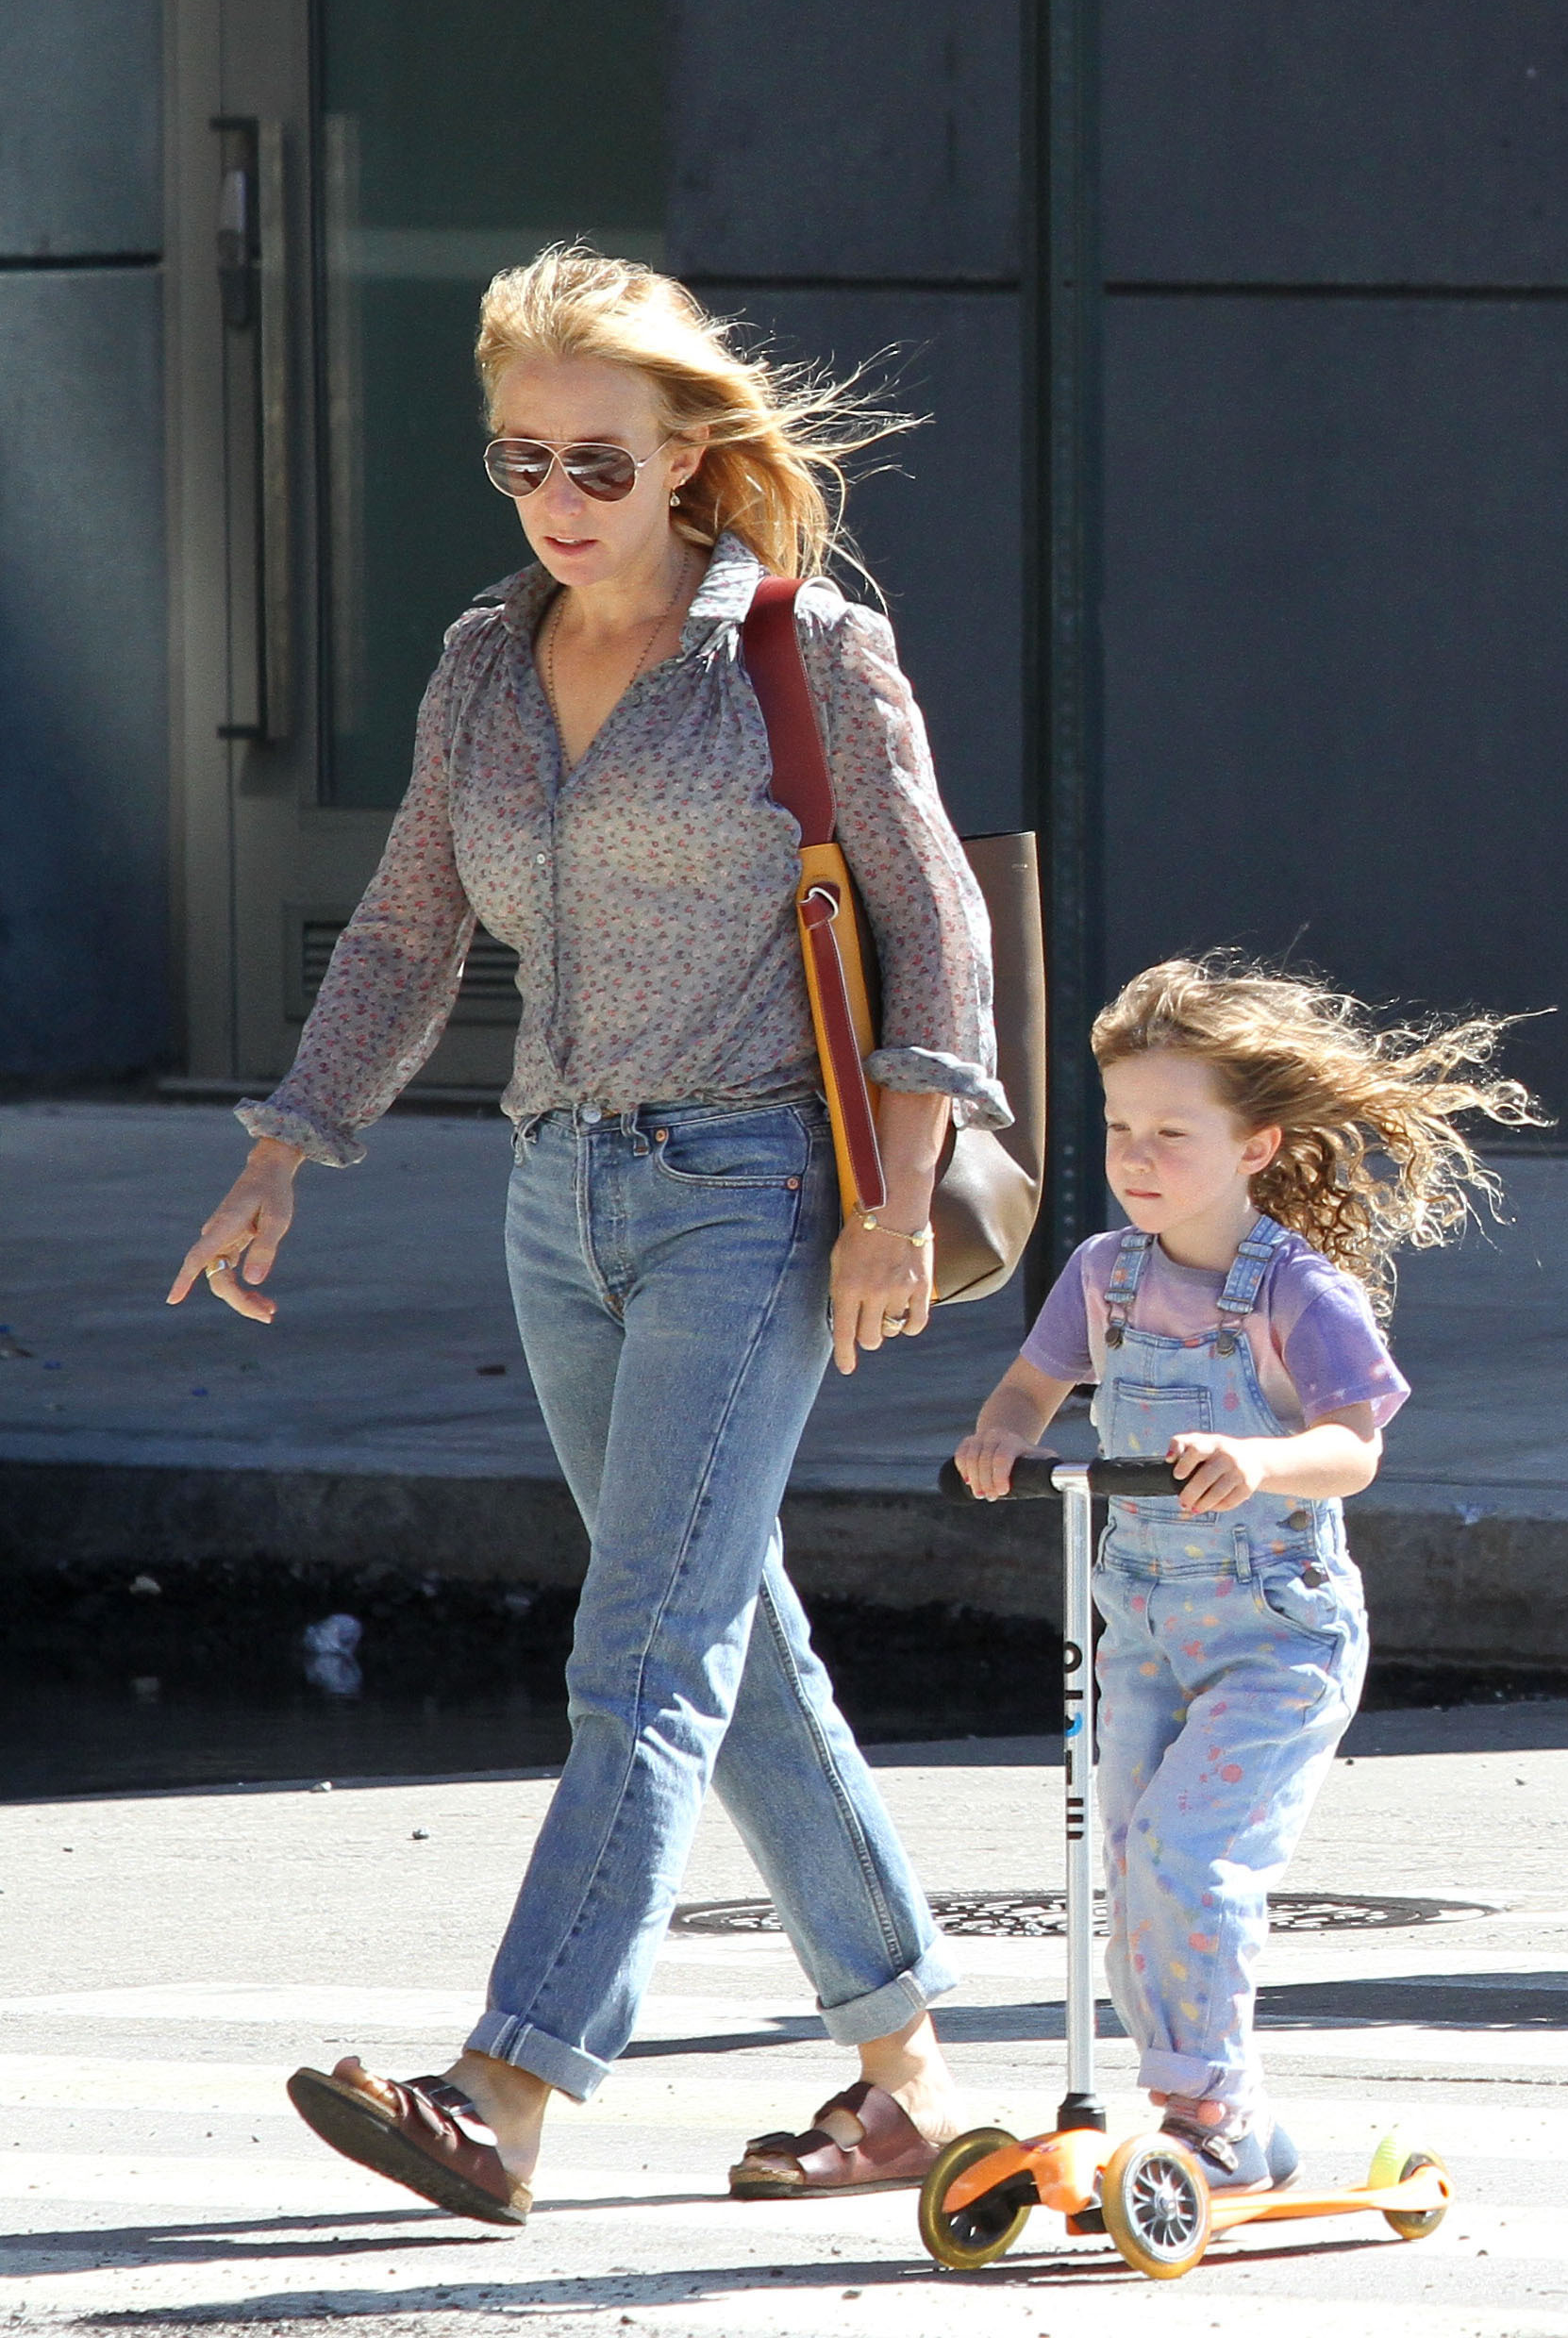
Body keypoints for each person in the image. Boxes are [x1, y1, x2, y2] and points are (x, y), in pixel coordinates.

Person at [171, 247, 1007, 2226]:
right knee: (737, 1643)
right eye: (524, 461)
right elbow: (402, 932)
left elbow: (940, 930)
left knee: (642, 1655)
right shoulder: (484, 666)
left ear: (692, 456)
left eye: (602, 466)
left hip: (754, 1197)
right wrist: (287, 1146)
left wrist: (893, 1199)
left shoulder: (801, 657)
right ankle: (905, 2074)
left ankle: (510, 2085)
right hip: (559, 1198)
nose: (562, 500)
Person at [953, 956, 1542, 2191]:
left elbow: (1353, 1452)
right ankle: (1221, 2120)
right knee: (1127, 1869)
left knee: (1188, 1860)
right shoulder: (1102, 1275)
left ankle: (1209, 2121)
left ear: (1258, 1143)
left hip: (1278, 1640)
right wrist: (1004, 1433)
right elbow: (1032, 1381)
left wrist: (1260, 1459)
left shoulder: (1296, 1291)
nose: (1136, 1156)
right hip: (1145, 1632)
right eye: (1119, 1128)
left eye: (1172, 1132)